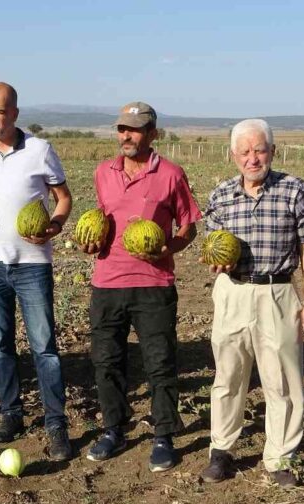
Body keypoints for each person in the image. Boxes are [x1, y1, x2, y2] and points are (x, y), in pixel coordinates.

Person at [77, 102, 202, 472]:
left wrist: (170, 247)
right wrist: (90, 242)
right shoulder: (103, 172)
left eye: (134, 130)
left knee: (160, 362)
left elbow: (188, 226)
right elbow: (99, 220)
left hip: (154, 284)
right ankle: (114, 429)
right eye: (121, 129)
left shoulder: (171, 174)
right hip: (107, 282)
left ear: (153, 134)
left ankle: (164, 434)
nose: (126, 136)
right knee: (107, 361)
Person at [198, 119, 304, 487]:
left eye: (260, 150)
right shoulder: (220, 195)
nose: (253, 158)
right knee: (227, 375)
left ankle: (280, 456)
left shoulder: (295, 190)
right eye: (245, 152)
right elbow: (210, 244)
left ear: (272, 151)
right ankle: (220, 450)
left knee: (281, 379)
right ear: (232, 155)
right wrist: (216, 259)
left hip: (278, 291)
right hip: (232, 292)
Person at [0, 82, 74, 460]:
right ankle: (11, 414)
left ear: (15, 114)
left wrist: (55, 226)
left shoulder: (40, 150)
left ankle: (56, 422)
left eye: (1, 111)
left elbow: (63, 198)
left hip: (32, 264)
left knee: (44, 347)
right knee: (0, 346)